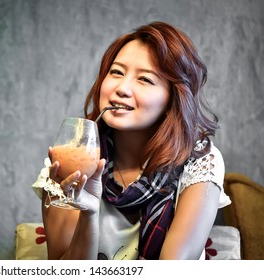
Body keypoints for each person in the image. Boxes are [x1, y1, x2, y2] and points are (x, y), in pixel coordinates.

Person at [32, 21, 231, 260]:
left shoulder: (199, 161)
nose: (122, 88)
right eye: (116, 72)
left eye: (145, 79)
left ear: (173, 99)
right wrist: (89, 214)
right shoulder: (68, 161)